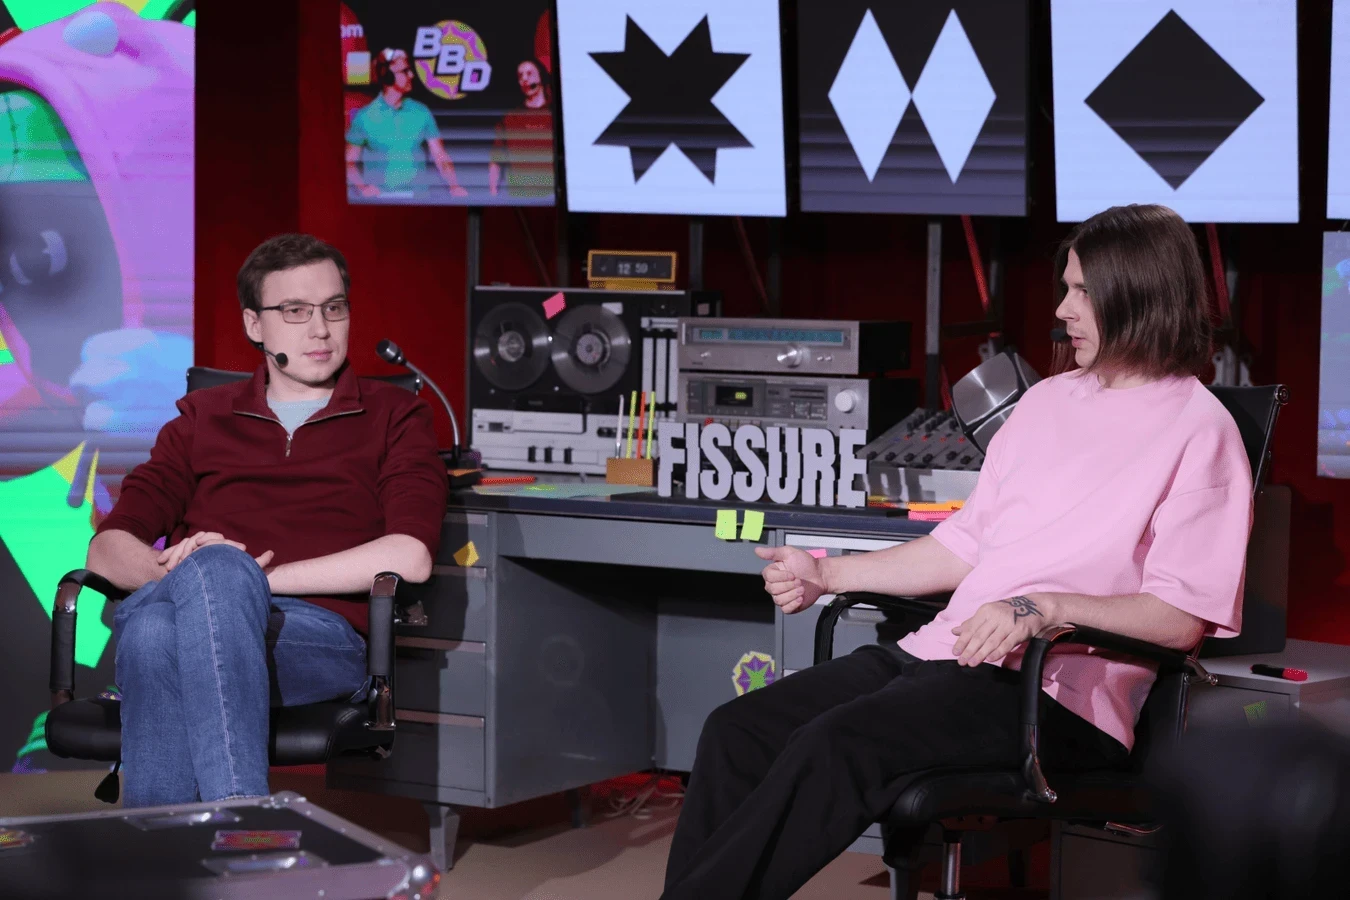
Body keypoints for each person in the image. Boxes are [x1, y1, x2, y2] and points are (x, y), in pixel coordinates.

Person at [661, 203, 1254, 900]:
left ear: (1139, 294)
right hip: (943, 656)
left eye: (1082, 292)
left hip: (1052, 696)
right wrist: (826, 573)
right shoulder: (1046, 402)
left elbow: (1179, 619)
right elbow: (963, 545)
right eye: (1065, 287)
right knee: (736, 730)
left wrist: (1043, 609)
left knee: (836, 744)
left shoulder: (1201, 430)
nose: (1062, 309)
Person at [88, 233, 449, 808]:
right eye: (296, 311)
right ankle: (225, 838)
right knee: (159, 628)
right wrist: (193, 579)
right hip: (186, 615)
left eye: (334, 308)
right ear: (255, 324)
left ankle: (204, 837)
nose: (321, 330)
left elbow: (411, 556)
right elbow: (107, 550)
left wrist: (241, 577)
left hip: (320, 636)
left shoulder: (396, 415)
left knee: (172, 616)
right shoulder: (202, 418)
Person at [345, 48, 469, 199]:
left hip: (419, 200)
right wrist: (362, 188)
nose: (411, 75)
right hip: (380, 203)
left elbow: (440, 155)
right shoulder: (364, 117)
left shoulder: (421, 111)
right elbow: (348, 163)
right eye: (405, 71)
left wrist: (454, 186)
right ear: (388, 76)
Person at [488, 59, 554, 201]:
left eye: (529, 73)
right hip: (519, 199)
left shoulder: (556, 115)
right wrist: (493, 193)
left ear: (541, 76)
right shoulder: (510, 118)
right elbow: (496, 160)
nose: (524, 79)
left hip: (552, 197)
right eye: (520, 75)